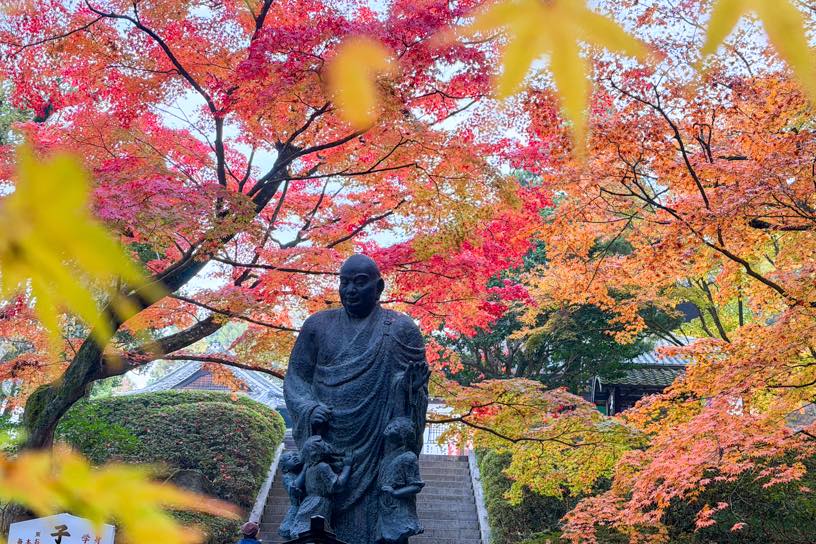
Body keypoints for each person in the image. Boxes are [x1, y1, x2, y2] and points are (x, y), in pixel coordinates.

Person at [284, 254, 430, 544]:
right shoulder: (317, 326)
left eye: (360, 283)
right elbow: (296, 378)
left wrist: (410, 388)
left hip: (376, 442)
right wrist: (309, 408)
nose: (350, 290)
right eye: (344, 282)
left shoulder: (401, 329)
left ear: (379, 287)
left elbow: (414, 396)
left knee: (376, 522)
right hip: (327, 440)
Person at [289, 435, 353, 537]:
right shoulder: (323, 467)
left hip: (308, 502)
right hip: (319, 504)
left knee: (306, 530)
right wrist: (347, 466)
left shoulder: (310, 468)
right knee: (315, 532)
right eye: (323, 443)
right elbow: (337, 485)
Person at [376, 417, 425, 543]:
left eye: (395, 427)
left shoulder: (408, 457)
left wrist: (395, 493)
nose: (390, 427)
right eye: (392, 424)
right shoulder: (386, 456)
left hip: (399, 507)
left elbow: (416, 486)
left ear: (402, 436)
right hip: (384, 506)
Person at [278, 451, 304, 539]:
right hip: (297, 507)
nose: (294, 457)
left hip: (307, 504)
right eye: (289, 458)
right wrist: (305, 469)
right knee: (290, 530)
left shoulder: (303, 470)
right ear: (285, 469)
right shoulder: (287, 476)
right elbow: (294, 488)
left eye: (295, 454)